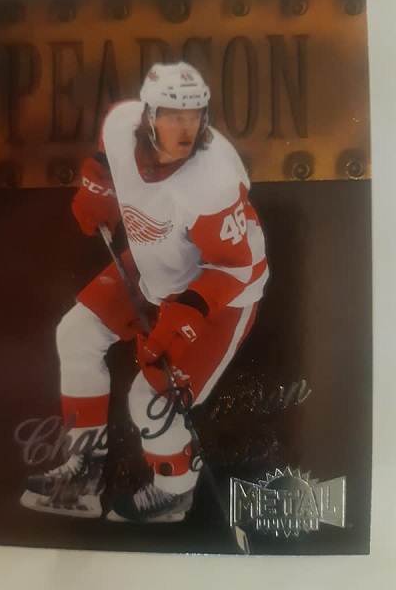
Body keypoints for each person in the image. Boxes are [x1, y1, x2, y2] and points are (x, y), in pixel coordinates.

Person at [20, 62, 269, 522]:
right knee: (75, 335)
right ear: (148, 115)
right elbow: (105, 155)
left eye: (194, 115)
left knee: (150, 401)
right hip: (158, 259)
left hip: (220, 291)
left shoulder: (213, 178)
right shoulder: (121, 123)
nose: (186, 128)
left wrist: (185, 317)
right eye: (173, 115)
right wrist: (99, 185)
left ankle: (175, 493)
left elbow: (236, 265)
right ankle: (85, 471)